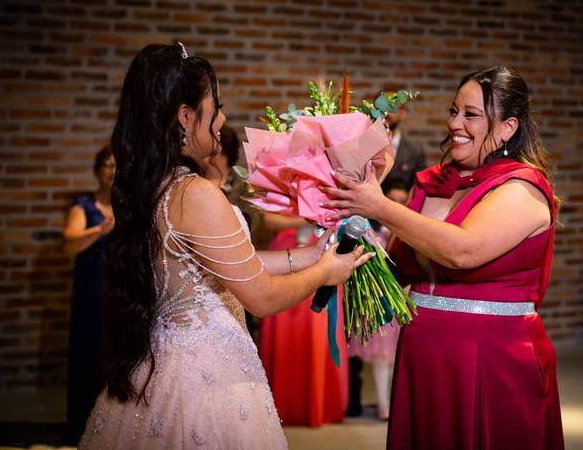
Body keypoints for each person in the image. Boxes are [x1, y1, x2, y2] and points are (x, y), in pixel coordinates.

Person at [79, 44, 372, 449]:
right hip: (204, 379)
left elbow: (227, 262)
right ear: (185, 116)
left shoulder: (151, 188)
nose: (222, 120)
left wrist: (308, 256)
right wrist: (325, 273)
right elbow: (261, 298)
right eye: (216, 107)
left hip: (157, 363)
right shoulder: (195, 194)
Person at [322, 67, 564, 449]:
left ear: (507, 127)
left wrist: (379, 206)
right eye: (454, 111)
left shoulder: (522, 189)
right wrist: (347, 225)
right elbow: (398, 267)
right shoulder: (433, 183)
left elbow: (462, 250)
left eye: (471, 114)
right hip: (422, 353)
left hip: (491, 360)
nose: (455, 123)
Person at [258, 218, 350, 427]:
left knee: (318, 329)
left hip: (321, 247)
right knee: (284, 331)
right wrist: (310, 216)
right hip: (283, 252)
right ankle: (283, 404)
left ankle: (319, 404)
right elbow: (267, 219)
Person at [61, 145, 115, 443]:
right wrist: (99, 231)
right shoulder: (84, 205)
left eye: (118, 165)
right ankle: (82, 426)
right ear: (97, 170)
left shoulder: (130, 205)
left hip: (120, 289)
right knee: (88, 349)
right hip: (91, 288)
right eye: (108, 164)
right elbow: (69, 242)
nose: (113, 171)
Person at [347, 179, 408, 421]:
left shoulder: (409, 232)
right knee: (382, 354)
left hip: (404, 296)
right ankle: (384, 405)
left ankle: (397, 403)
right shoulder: (372, 233)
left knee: (398, 356)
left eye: (402, 201)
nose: (397, 205)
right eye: (392, 200)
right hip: (381, 297)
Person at [381, 100, 425, 190]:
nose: (386, 113)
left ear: (402, 113)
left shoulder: (415, 151)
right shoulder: (363, 147)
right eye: (380, 108)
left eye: (391, 108)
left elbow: (420, 187)